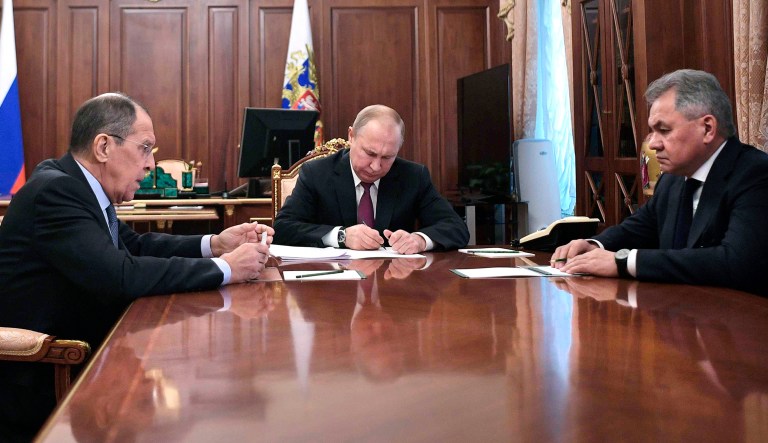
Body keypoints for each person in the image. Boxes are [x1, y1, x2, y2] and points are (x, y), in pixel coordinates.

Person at [0, 92, 273, 441]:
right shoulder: (58, 193)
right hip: (45, 375)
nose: (151, 165)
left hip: (84, 348)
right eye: (145, 149)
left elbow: (136, 246)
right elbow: (121, 275)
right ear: (103, 147)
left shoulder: (77, 186)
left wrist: (215, 244)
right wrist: (227, 268)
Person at [552, 69, 768, 296]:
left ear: (707, 128)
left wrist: (624, 261)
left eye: (663, 130)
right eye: (652, 131)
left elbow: (736, 262)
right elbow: (639, 228)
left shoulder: (755, 174)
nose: (653, 144)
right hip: (679, 309)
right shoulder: (672, 179)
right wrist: (594, 245)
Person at [273, 104, 469, 253]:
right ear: (351, 136)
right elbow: (283, 228)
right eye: (370, 153)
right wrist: (341, 236)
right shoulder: (316, 173)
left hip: (394, 283)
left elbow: (456, 228)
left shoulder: (413, 176)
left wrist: (419, 240)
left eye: (387, 157)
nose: (376, 166)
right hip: (333, 283)